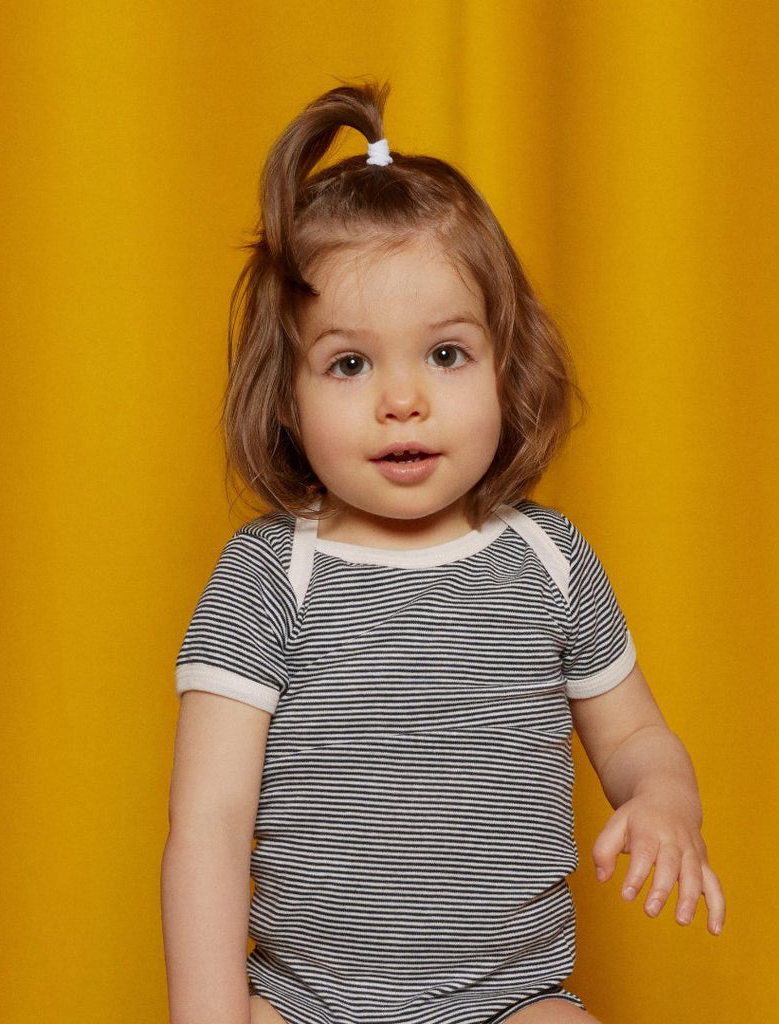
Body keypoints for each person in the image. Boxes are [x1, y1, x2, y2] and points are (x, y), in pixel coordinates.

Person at [161, 83, 724, 1024]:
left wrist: (667, 800)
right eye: (350, 363)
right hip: (309, 1005)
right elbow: (208, 829)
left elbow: (631, 736)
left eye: (447, 354)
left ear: (510, 363)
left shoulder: (547, 557)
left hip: (511, 1002)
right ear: (286, 395)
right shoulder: (270, 578)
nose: (403, 400)